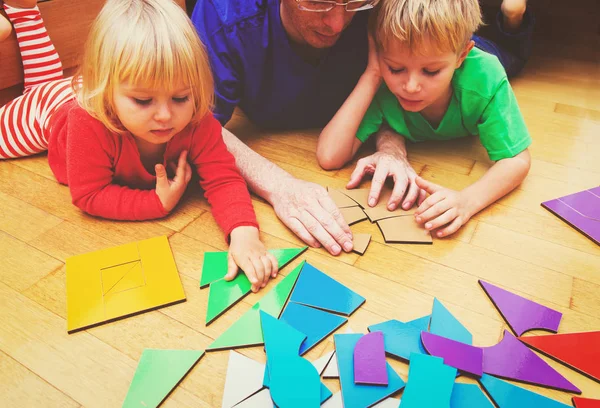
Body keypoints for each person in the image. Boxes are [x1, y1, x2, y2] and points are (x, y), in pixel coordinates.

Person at [0, 0, 278, 291]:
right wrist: (156, 204)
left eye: (181, 97)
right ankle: (24, 13)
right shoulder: (86, 121)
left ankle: (24, 11)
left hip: (85, 87)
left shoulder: (197, 120)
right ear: (107, 95)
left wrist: (244, 232)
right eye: (143, 101)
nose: (165, 116)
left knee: (46, 79)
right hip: (47, 112)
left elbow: (223, 177)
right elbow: (89, 195)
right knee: (40, 88)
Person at [317, 0, 533, 238]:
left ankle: (511, 17)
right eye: (396, 69)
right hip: (441, 49)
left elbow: (516, 160)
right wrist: (373, 73)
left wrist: (467, 201)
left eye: (431, 72)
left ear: (462, 56)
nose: (410, 87)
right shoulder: (382, 83)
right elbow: (329, 156)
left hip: (485, 50)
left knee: (511, 57)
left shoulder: (485, 76)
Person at [192, 0, 389, 256]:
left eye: (356, 2)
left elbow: (401, 77)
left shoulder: (380, 6)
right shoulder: (222, 13)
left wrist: (392, 144)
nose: (337, 24)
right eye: (318, 2)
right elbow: (194, 124)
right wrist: (280, 186)